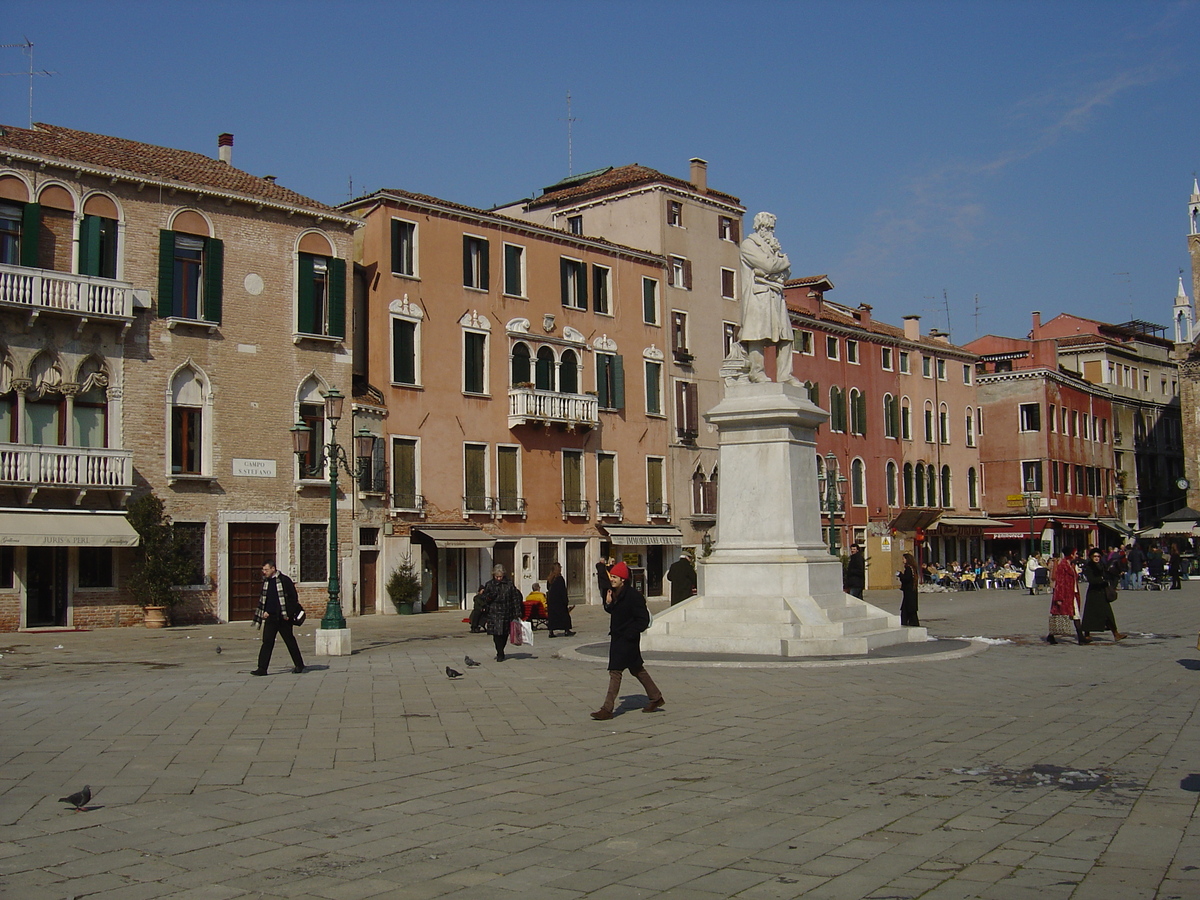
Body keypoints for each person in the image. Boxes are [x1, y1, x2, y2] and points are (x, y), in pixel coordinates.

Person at [591, 561, 664, 720]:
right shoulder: (615, 593)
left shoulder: (633, 596)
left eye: (615, 577)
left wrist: (630, 633)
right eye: (612, 576)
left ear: (623, 579)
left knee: (615, 672)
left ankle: (607, 708)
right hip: (618, 638)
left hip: (627, 640)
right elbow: (615, 612)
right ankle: (656, 697)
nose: (612, 579)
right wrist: (609, 604)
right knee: (637, 669)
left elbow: (642, 620)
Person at [738, 211, 801, 385]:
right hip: (758, 297)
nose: (770, 231)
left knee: (786, 337)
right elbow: (768, 265)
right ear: (759, 227)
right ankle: (756, 373)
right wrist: (781, 263)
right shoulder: (748, 245)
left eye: (772, 228)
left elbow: (785, 274)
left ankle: (785, 375)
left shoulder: (773, 249)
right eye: (767, 227)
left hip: (776, 296)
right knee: (757, 335)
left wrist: (772, 272)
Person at [252, 561, 306, 676]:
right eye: (263, 570)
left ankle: (299, 665)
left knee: (289, 641)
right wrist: (265, 611)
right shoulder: (266, 582)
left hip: (283, 618)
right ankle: (262, 668)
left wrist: (289, 614)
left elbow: (293, 598)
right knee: (267, 642)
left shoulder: (285, 581)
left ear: (273, 569)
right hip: (271, 617)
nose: (264, 572)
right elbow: (265, 599)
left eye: (266, 570)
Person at [478, 564, 523, 661]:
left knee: (504, 633)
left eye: (500, 576)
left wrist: (517, 612)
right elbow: (484, 598)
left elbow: (515, 598)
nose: (498, 578)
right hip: (494, 612)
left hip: (506, 611)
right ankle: (500, 652)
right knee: (496, 634)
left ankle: (501, 648)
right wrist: (489, 596)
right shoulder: (489, 584)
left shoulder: (509, 584)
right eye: (497, 576)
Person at [1081, 547, 1124, 643]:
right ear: (1091, 557)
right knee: (1090, 614)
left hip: (1102, 593)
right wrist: (1101, 579)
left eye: (1098, 556)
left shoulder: (1102, 565)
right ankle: (1086, 634)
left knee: (1108, 613)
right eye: (1094, 556)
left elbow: (1108, 575)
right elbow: (1091, 580)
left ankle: (1116, 633)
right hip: (1093, 593)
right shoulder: (1089, 567)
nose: (1096, 558)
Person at [1047, 548, 1085, 644]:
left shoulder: (1071, 564)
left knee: (1075, 614)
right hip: (1065, 594)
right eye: (1075, 554)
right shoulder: (1062, 565)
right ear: (1071, 554)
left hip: (1072, 593)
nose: (1076, 555)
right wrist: (1058, 597)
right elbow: (1059, 582)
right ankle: (1051, 635)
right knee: (1058, 614)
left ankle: (1081, 637)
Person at [545, 562, 574, 638]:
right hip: (559, 601)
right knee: (564, 615)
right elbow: (563, 591)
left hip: (551, 600)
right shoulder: (560, 579)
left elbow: (548, 588)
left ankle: (551, 632)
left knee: (552, 616)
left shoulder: (550, 578)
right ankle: (566, 630)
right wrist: (565, 601)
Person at [899, 552, 920, 627]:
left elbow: (906, 579)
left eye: (903, 559)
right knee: (908, 609)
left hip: (909, 592)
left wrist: (900, 575)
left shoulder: (908, 568)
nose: (902, 560)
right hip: (911, 591)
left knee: (908, 609)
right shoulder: (913, 568)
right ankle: (909, 622)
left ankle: (907, 623)